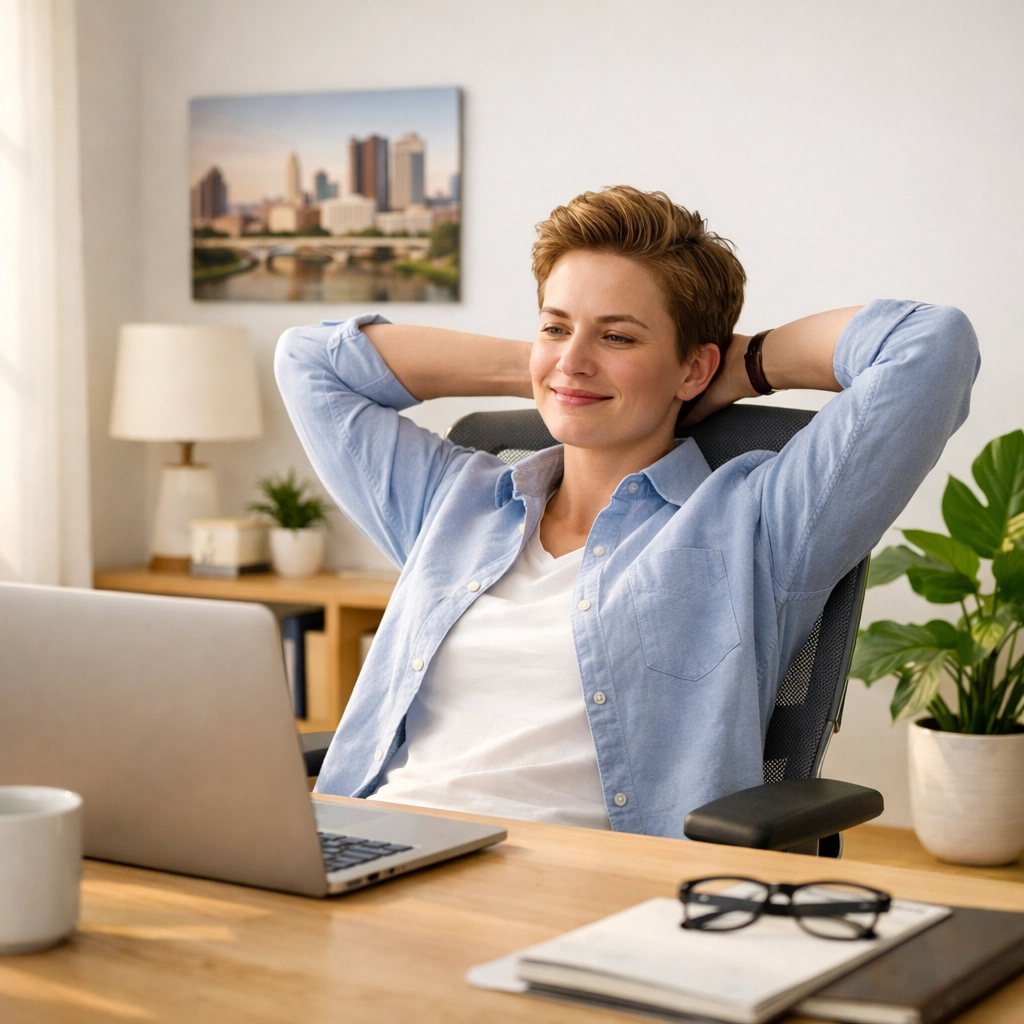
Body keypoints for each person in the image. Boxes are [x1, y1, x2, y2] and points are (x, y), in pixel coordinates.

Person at [275, 186, 979, 838]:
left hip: (578, 887)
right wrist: (551, 368)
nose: (575, 359)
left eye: (619, 336)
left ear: (694, 367)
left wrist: (741, 368)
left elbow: (929, 345)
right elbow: (308, 361)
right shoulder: (455, 502)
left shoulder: (756, 524)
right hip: (374, 844)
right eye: (555, 326)